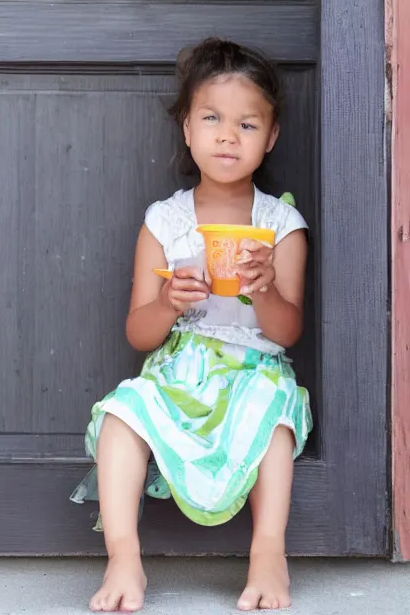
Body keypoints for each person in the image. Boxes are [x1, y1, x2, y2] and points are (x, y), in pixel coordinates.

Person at [71, 37, 312, 612]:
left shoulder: (281, 225)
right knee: (120, 418)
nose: (228, 135)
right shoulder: (165, 221)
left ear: (270, 137)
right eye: (211, 118)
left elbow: (287, 332)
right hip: (180, 368)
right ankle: (124, 555)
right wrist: (170, 305)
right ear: (187, 128)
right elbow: (139, 333)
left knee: (274, 422)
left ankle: (268, 553)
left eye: (247, 125)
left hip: (255, 369)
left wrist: (266, 288)